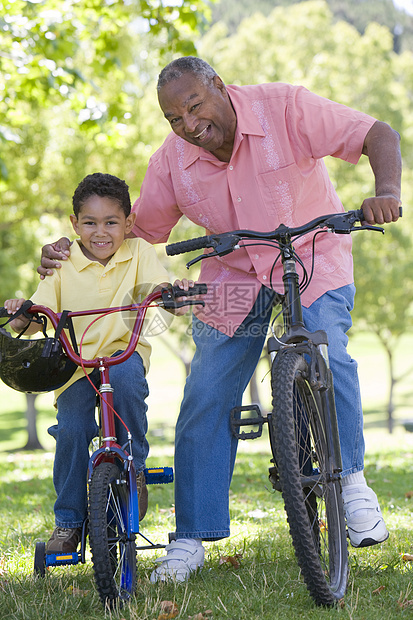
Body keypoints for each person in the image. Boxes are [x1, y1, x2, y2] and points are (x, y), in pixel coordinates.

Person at [39, 57, 402, 579]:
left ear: (218, 86)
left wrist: (386, 193)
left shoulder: (285, 107)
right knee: (207, 390)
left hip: (313, 257)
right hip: (233, 278)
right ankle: (190, 537)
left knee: (328, 350)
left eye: (194, 106)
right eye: (173, 118)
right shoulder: (172, 159)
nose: (188, 125)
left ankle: (351, 484)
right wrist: (69, 250)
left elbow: (376, 133)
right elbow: (135, 231)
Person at [6, 172, 192, 554]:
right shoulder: (62, 262)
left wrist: (172, 294)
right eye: (89, 223)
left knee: (126, 386)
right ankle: (69, 522)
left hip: (123, 355)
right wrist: (21, 314)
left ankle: (134, 467)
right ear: (75, 224)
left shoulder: (139, 252)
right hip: (75, 365)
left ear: (128, 223)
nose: (101, 232)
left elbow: (158, 287)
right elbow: (40, 312)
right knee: (72, 430)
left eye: (111, 222)